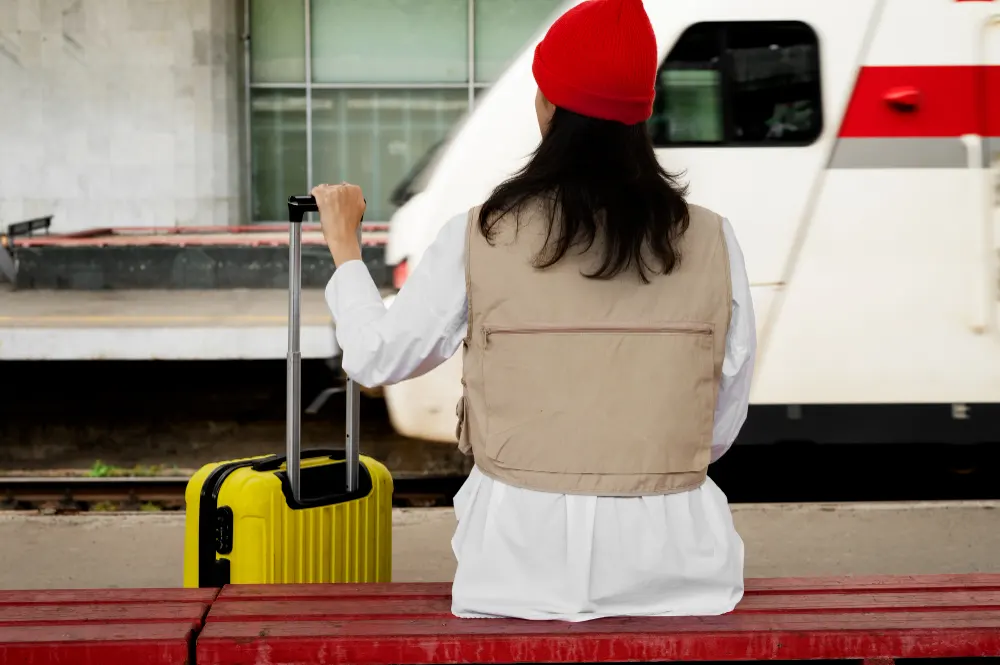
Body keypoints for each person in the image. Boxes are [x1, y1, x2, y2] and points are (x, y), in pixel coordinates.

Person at [312, 0, 755, 622]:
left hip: (517, 565)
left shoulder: (480, 235)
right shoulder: (713, 238)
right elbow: (722, 415)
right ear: (642, 112)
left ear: (545, 105)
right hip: (680, 568)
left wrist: (345, 250)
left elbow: (375, 358)